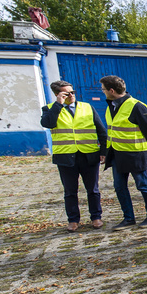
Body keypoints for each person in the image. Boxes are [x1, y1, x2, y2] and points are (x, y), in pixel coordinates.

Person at [40, 80, 106, 231]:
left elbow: (101, 130)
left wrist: (103, 151)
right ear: (58, 95)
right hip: (65, 156)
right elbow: (48, 123)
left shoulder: (87, 107)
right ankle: (73, 220)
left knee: (93, 189)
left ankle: (96, 217)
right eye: (66, 93)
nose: (71, 95)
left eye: (72, 92)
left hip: (88, 154)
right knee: (70, 191)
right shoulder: (50, 109)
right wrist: (58, 104)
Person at [101, 75, 147, 231]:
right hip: (116, 155)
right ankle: (128, 218)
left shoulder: (136, 106)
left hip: (135, 155)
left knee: (143, 186)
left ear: (111, 90)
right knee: (119, 187)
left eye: (104, 89)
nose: (103, 92)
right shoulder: (111, 106)